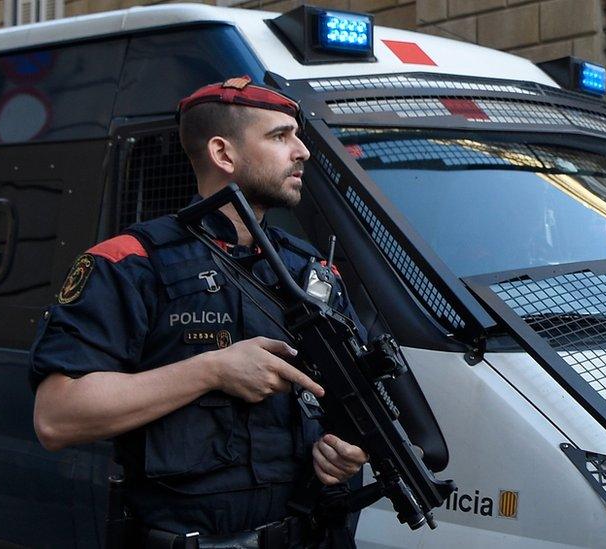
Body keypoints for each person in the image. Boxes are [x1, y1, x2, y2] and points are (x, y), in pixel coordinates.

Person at [28, 76, 368, 548]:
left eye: (297, 136)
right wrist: (212, 371)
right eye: (279, 136)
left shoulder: (312, 271)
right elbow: (57, 418)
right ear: (223, 154)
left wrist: (348, 450)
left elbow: (351, 396)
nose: (302, 151)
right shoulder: (129, 263)